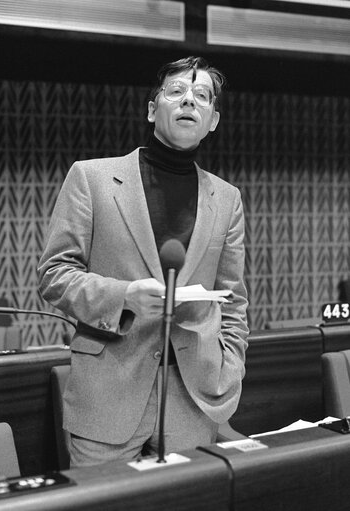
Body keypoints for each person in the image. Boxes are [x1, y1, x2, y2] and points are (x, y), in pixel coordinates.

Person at [37, 56, 249, 467]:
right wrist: (125, 296)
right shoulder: (91, 178)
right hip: (108, 398)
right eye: (176, 92)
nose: (190, 101)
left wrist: (231, 365)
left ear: (213, 121)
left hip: (194, 401)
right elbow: (54, 275)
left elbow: (233, 301)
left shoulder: (227, 199)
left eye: (202, 96)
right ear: (153, 109)